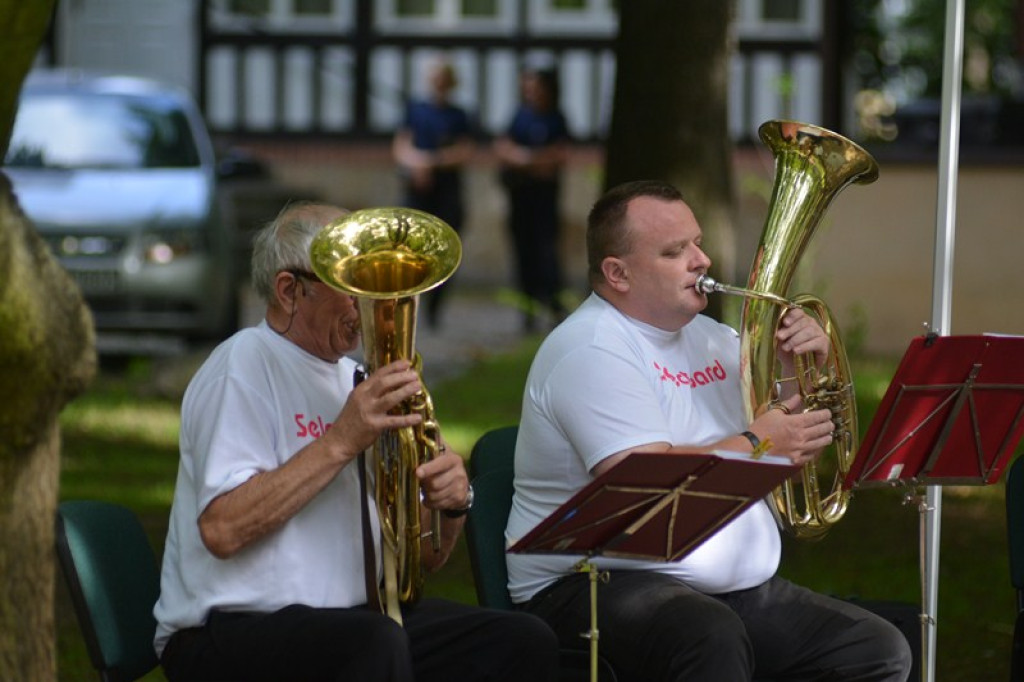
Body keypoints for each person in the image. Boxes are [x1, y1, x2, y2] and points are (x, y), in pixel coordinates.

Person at [504, 180, 913, 682]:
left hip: (721, 592)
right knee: (708, 634)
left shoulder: (715, 339)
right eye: (676, 251)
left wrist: (801, 369)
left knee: (874, 647)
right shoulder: (590, 349)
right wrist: (760, 443)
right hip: (593, 583)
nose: (702, 260)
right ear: (618, 273)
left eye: (697, 242)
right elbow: (643, 483)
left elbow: (779, 433)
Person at [153, 201, 559, 682]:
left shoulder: (355, 378)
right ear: (289, 291)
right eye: (351, 286)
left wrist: (450, 505)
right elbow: (221, 530)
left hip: (352, 621)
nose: (370, 303)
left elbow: (425, 559)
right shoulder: (242, 364)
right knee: (373, 642)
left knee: (522, 641)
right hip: (228, 628)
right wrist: (340, 440)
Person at [392, 58, 475, 329]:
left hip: (446, 192)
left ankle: (435, 309)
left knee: (444, 250)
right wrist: (418, 164)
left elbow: (463, 152)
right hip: (418, 191)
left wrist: (430, 162)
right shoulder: (416, 110)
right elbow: (401, 147)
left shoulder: (459, 115)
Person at [493, 67, 571, 332]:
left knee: (546, 251)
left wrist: (527, 159)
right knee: (523, 250)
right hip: (520, 196)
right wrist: (530, 160)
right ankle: (527, 308)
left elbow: (557, 156)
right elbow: (503, 149)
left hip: (545, 198)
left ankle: (553, 302)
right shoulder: (520, 116)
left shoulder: (555, 118)